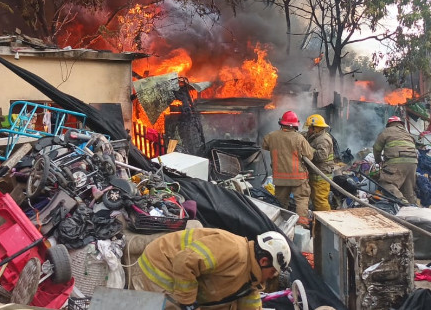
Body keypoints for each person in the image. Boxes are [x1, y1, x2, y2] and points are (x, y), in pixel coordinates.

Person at [133, 228, 291, 310]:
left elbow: (249, 301)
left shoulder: (250, 278)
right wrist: (188, 302)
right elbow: (184, 261)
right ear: (264, 261)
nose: (270, 278)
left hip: (183, 274)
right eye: (272, 272)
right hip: (161, 268)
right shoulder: (233, 249)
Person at [262, 111, 315, 227]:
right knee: (301, 199)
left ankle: (279, 225)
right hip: (298, 177)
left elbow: (265, 145)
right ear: (295, 125)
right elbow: (310, 155)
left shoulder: (271, 136)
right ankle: (301, 226)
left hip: (280, 177)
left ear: (281, 123)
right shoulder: (299, 138)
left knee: (280, 202)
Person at [372, 115, 418, 205]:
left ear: (389, 124)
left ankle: (401, 200)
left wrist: (378, 161)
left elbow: (376, 149)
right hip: (413, 163)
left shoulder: (386, 131)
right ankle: (412, 207)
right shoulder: (407, 133)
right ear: (400, 124)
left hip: (396, 162)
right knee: (408, 189)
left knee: (385, 183)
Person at [303, 114, 338, 211]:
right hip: (316, 175)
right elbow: (304, 135)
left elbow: (321, 156)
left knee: (320, 202)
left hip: (321, 177)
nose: (308, 130)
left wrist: (308, 149)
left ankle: (326, 220)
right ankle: (318, 220)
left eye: (309, 128)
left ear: (316, 128)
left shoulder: (323, 139)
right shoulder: (315, 136)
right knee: (315, 200)